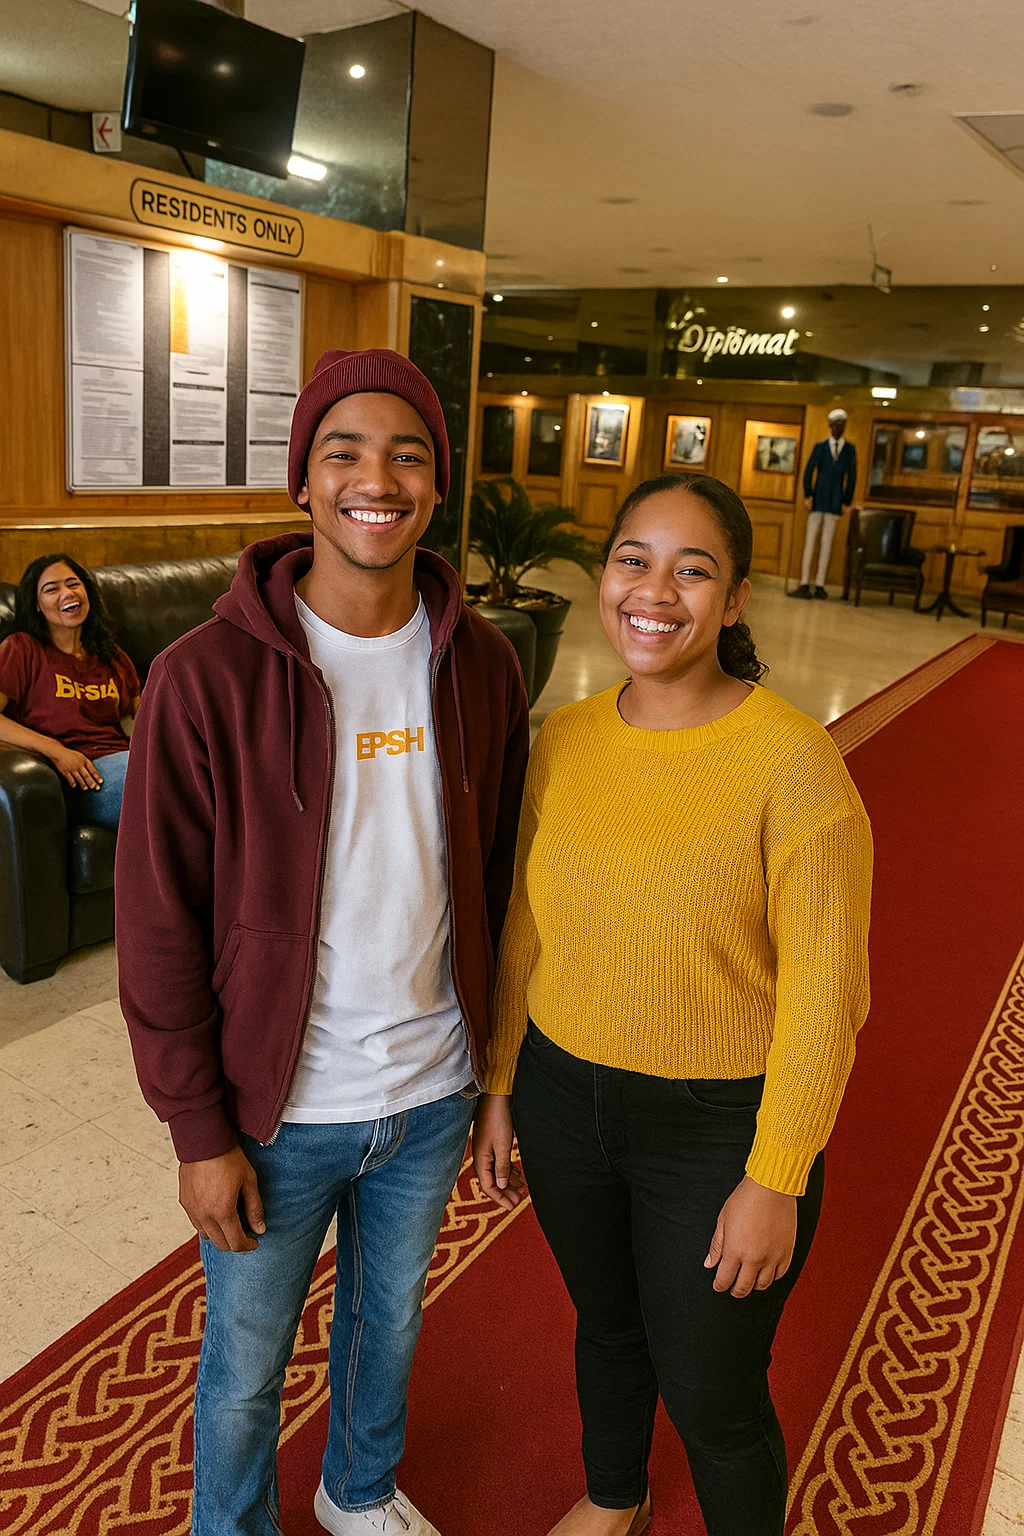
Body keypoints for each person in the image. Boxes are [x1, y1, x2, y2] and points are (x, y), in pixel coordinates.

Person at [115, 350, 530, 1536]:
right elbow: (155, 926)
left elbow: (503, 884)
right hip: (272, 1107)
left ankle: (358, 1494)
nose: (375, 479)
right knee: (245, 1367)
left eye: (407, 455)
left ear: (437, 488)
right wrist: (199, 1130)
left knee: (386, 1328)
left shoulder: (481, 662)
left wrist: (494, 1075)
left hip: (431, 1088)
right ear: (304, 482)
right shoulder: (204, 678)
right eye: (343, 451)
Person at [474, 472, 872, 1536]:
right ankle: (614, 1497)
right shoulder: (564, 738)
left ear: (734, 599)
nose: (655, 591)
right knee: (606, 1326)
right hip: (564, 1097)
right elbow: (523, 923)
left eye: (692, 570)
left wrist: (773, 1177)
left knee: (712, 1391)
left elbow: (828, 999)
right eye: (632, 561)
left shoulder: (794, 766)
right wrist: (503, 1083)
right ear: (604, 577)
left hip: (715, 1129)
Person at [0, 552, 139, 830]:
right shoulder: (22, 649)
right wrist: (54, 749)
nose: (67, 593)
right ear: (37, 605)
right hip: (75, 777)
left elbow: (146, 720)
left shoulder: (112, 656)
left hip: (124, 761)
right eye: (51, 589)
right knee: (153, 779)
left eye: (73, 584)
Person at [790, 407, 857, 600]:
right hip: (818, 500)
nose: (839, 429)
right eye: (836, 425)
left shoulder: (849, 449)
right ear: (830, 426)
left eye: (842, 425)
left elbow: (851, 476)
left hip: (835, 502)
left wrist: (846, 500)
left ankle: (819, 584)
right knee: (810, 542)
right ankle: (804, 582)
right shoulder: (820, 447)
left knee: (827, 544)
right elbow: (809, 470)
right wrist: (808, 495)